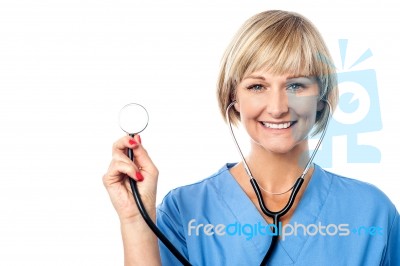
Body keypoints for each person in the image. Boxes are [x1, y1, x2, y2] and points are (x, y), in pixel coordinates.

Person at [103, 10, 399, 265]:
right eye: (257, 86)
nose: (278, 107)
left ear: (321, 98)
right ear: (234, 96)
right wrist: (134, 220)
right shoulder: (185, 209)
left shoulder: (373, 212)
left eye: (296, 85)